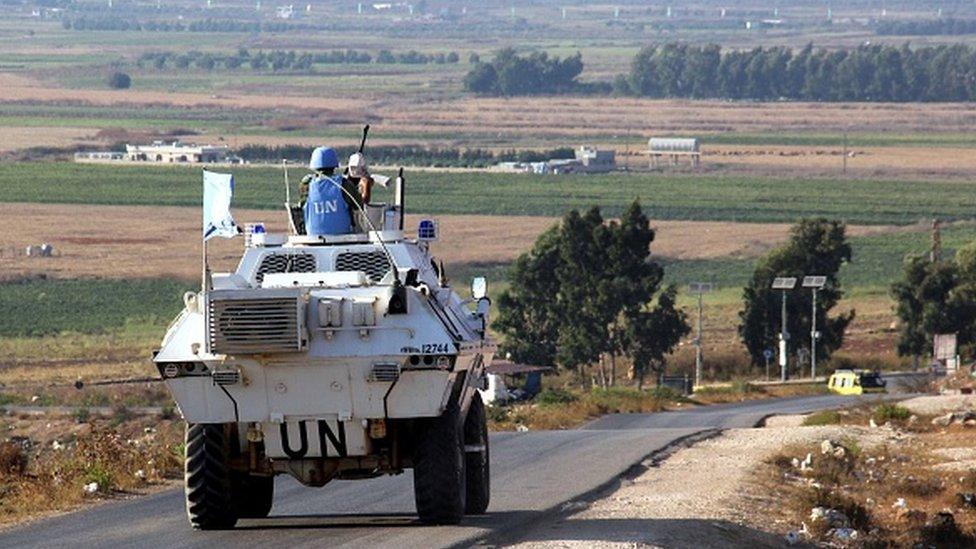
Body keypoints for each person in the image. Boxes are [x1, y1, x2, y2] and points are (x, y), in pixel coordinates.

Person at [300, 146, 363, 236]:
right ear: (334, 165)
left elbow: (302, 205)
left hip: (312, 238)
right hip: (343, 238)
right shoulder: (344, 184)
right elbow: (359, 206)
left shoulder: (306, 184)